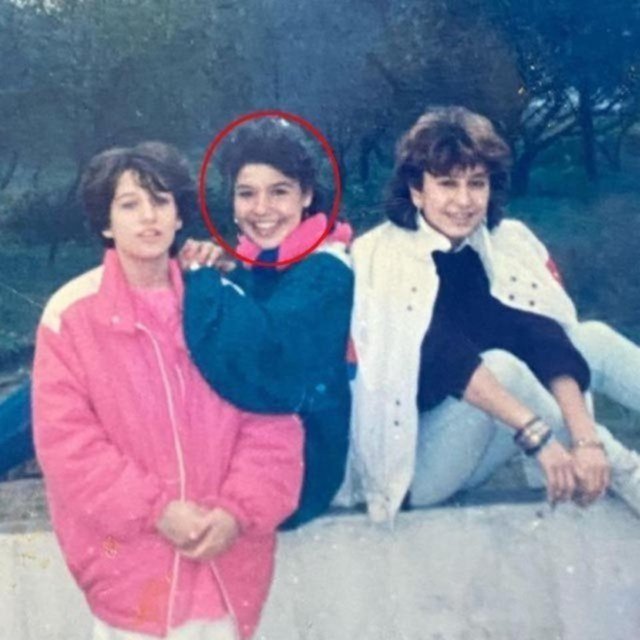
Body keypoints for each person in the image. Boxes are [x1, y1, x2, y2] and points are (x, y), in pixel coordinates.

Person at [32, 142, 304, 640]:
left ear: (179, 215)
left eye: (160, 201)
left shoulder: (222, 302)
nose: (148, 217)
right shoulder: (70, 315)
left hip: (225, 567)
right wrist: (157, 510)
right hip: (130, 569)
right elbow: (68, 446)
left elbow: (272, 422)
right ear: (106, 223)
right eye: (129, 204)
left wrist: (235, 512)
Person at [347, 106, 640, 524]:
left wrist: (585, 439)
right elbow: (449, 359)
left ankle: (600, 459)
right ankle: (628, 474)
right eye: (447, 184)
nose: (464, 201)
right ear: (416, 190)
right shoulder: (380, 254)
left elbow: (542, 337)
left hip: (491, 432)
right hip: (419, 465)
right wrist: (543, 441)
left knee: (590, 338)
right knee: (502, 367)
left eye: (476, 183)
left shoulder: (502, 244)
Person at [182, 117, 353, 529]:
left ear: (306, 195)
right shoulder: (259, 264)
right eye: (247, 194)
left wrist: (204, 281)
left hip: (301, 474)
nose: (261, 209)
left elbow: (263, 363)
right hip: (253, 447)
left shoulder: (326, 270)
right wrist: (218, 273)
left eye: (279, 192)